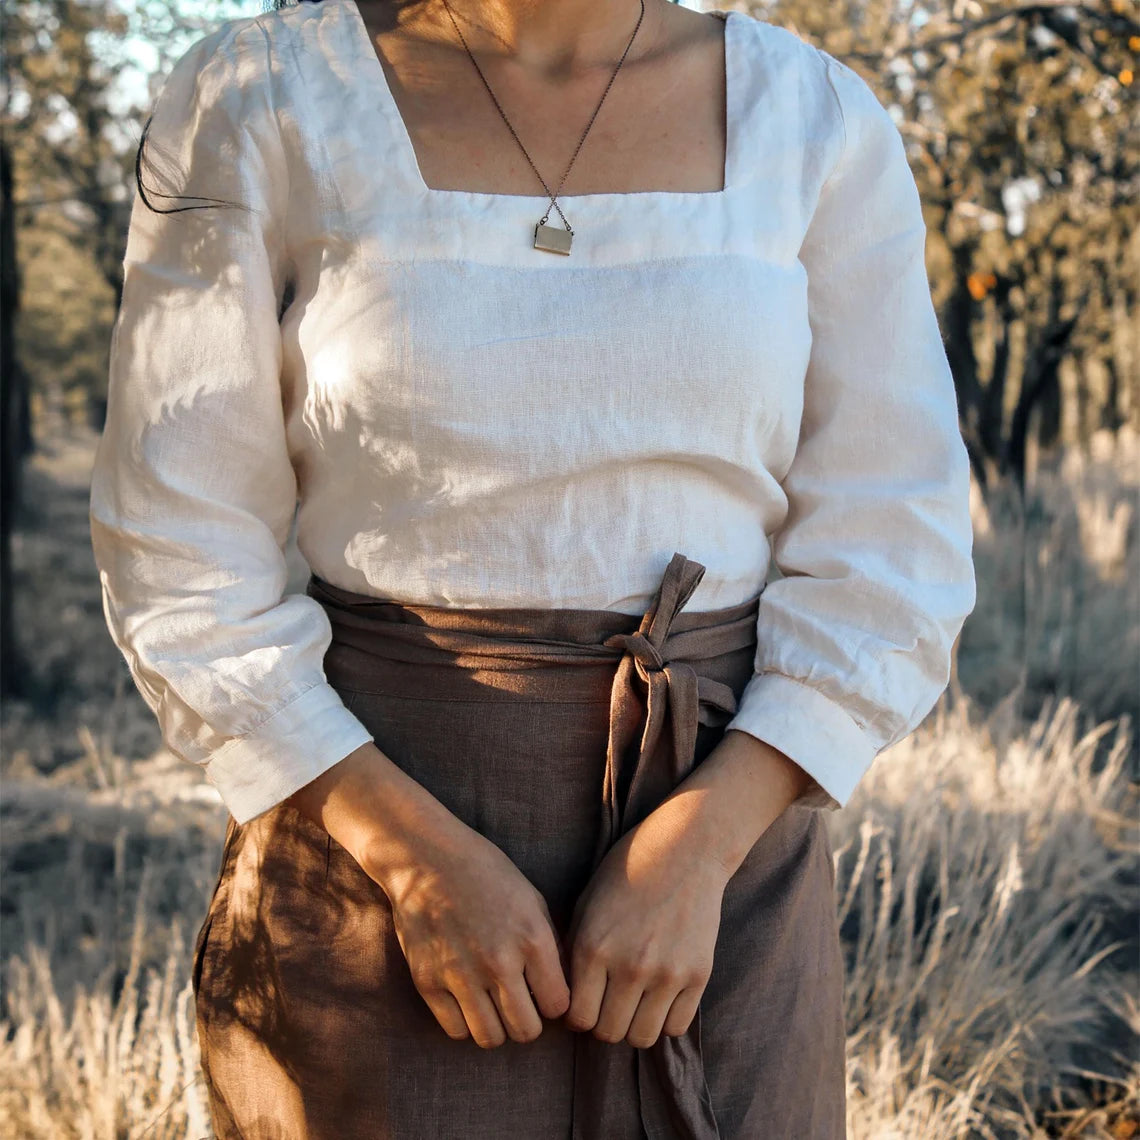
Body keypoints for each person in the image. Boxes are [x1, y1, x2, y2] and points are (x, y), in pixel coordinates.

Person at [88, 0, 977, 1135]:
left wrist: (701, 847)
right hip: (365, 837)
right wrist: (408, 856)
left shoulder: (814, 117)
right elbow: (182, 543)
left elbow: (891, 529)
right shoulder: (262, 96)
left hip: (717, 857)